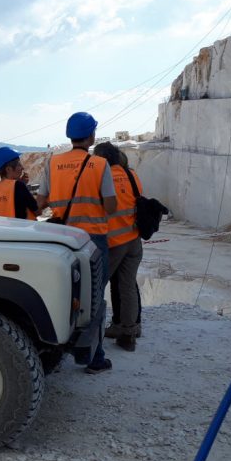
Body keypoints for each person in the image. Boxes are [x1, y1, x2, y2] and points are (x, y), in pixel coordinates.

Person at [37, 112, 117, 374]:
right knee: (94, 298)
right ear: (91, 136)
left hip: (62, 238)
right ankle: (94, 358)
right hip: (92, 239)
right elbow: (111, 205)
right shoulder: (100, 165)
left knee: (64, 294)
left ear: (70, 135)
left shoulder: (53, 162)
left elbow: (42, 201)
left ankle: (54, 353)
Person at [94, 142, 143, 351]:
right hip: (133, 239)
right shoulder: (131, 174)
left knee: (95, 288)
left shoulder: (102, 178)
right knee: (127, 286)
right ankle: (128, 334)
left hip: (113, 242)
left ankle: (91, 336)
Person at [0, 147, 38, 220]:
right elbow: (37, 211)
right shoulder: (18, 186)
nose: (22, 168)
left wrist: (21, 184)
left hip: (3, 230)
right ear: (8, 169)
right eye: (19, 165)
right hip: (21, 229)